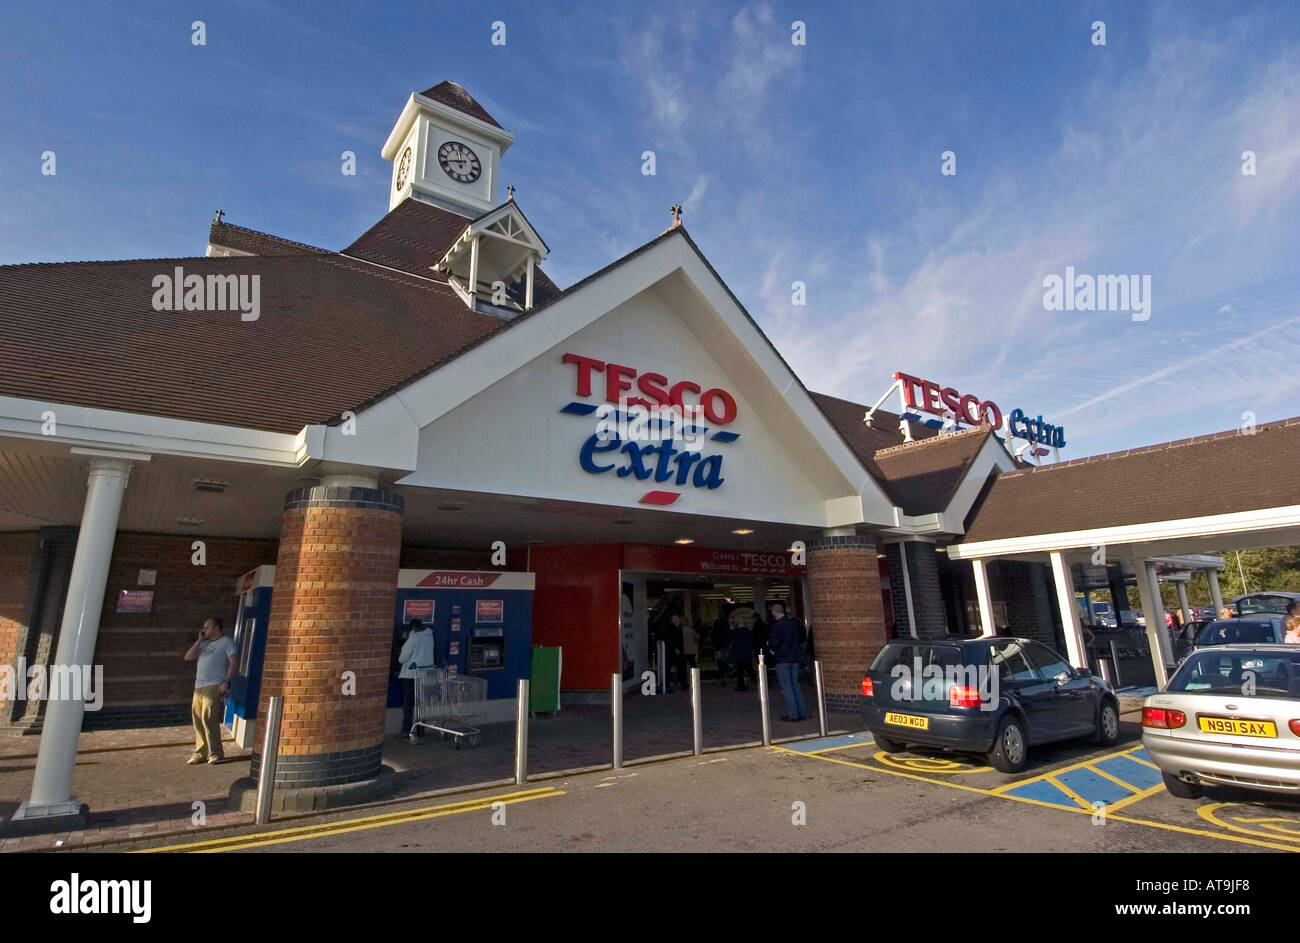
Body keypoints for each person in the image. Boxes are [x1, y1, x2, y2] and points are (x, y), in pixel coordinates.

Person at [182, 617, 237, 765]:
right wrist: (198, 641)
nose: (204, 630)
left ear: (216, 627)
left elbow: (233, 662)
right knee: (198, 719)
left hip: (214, 685)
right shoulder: (203, 644)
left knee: (208, 718)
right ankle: (201, 752)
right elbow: (188, 657)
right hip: (198, 687)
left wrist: (226, 681)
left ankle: (216, 753)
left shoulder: (227, 642)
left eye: (207, 627)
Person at [768, 603, 806, 721]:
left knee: (787, 687)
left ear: (774, 612)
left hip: (782, 659)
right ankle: (801, 713)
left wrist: (771, 648)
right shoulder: (793, 624)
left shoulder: (777, 626)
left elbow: (774, 643)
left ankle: (793, 714)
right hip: (794, 658)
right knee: (795, 685)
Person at [397, 618, 435, 737]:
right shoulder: (430, 636)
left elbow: (403, 657)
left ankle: (405, 730)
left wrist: (399, 659)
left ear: (412, 628)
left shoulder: (414, 637)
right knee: (421, 702)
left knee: (408, 703)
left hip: (412, 674)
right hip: (425, 674)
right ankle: (420, 728)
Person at [730, 618, 754, 691]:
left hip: (739, 654)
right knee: (750, 670)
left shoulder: (735, 633)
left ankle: (741, 686)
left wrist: (732, 653)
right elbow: (751, 642)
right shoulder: (749, 632)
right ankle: (758, 682)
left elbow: (734, 644)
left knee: (740, 671)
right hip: (747, 653)